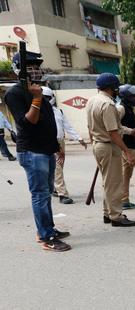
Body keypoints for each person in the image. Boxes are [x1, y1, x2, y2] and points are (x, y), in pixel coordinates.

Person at [4, 51, 71, 251]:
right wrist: (36, 98)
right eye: (32, 66)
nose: (37, 70)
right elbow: (27, 123)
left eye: (37, 66)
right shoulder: (14, 93)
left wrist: (56, 146)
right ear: (20, 70)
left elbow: (48, 122)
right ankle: (47, 237)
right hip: (33, 152)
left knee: (46, 193)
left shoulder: (38, 91)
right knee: (40, 194)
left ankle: (46, 228)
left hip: (46, 149)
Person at [86, 73, 135, 227]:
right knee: (114, 183)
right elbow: (113, 132)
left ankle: (108, 213)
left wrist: (130, 131)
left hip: (99, 145)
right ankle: (116, 216)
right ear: (112, 87)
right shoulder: (107, 104)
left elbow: (92, 127)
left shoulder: (92, 100)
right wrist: (127, 152)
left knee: (108, 182)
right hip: (108, 146)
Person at [42, 87, 88, 204]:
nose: (45, 101)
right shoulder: (39, 112)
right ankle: (63, 194)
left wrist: (79, 138)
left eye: (47, 98)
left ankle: (55, 188)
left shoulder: (58, 111)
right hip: (48, 141)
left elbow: (67, 126)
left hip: (60, 140)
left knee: (59, 167)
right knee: (57, 168)